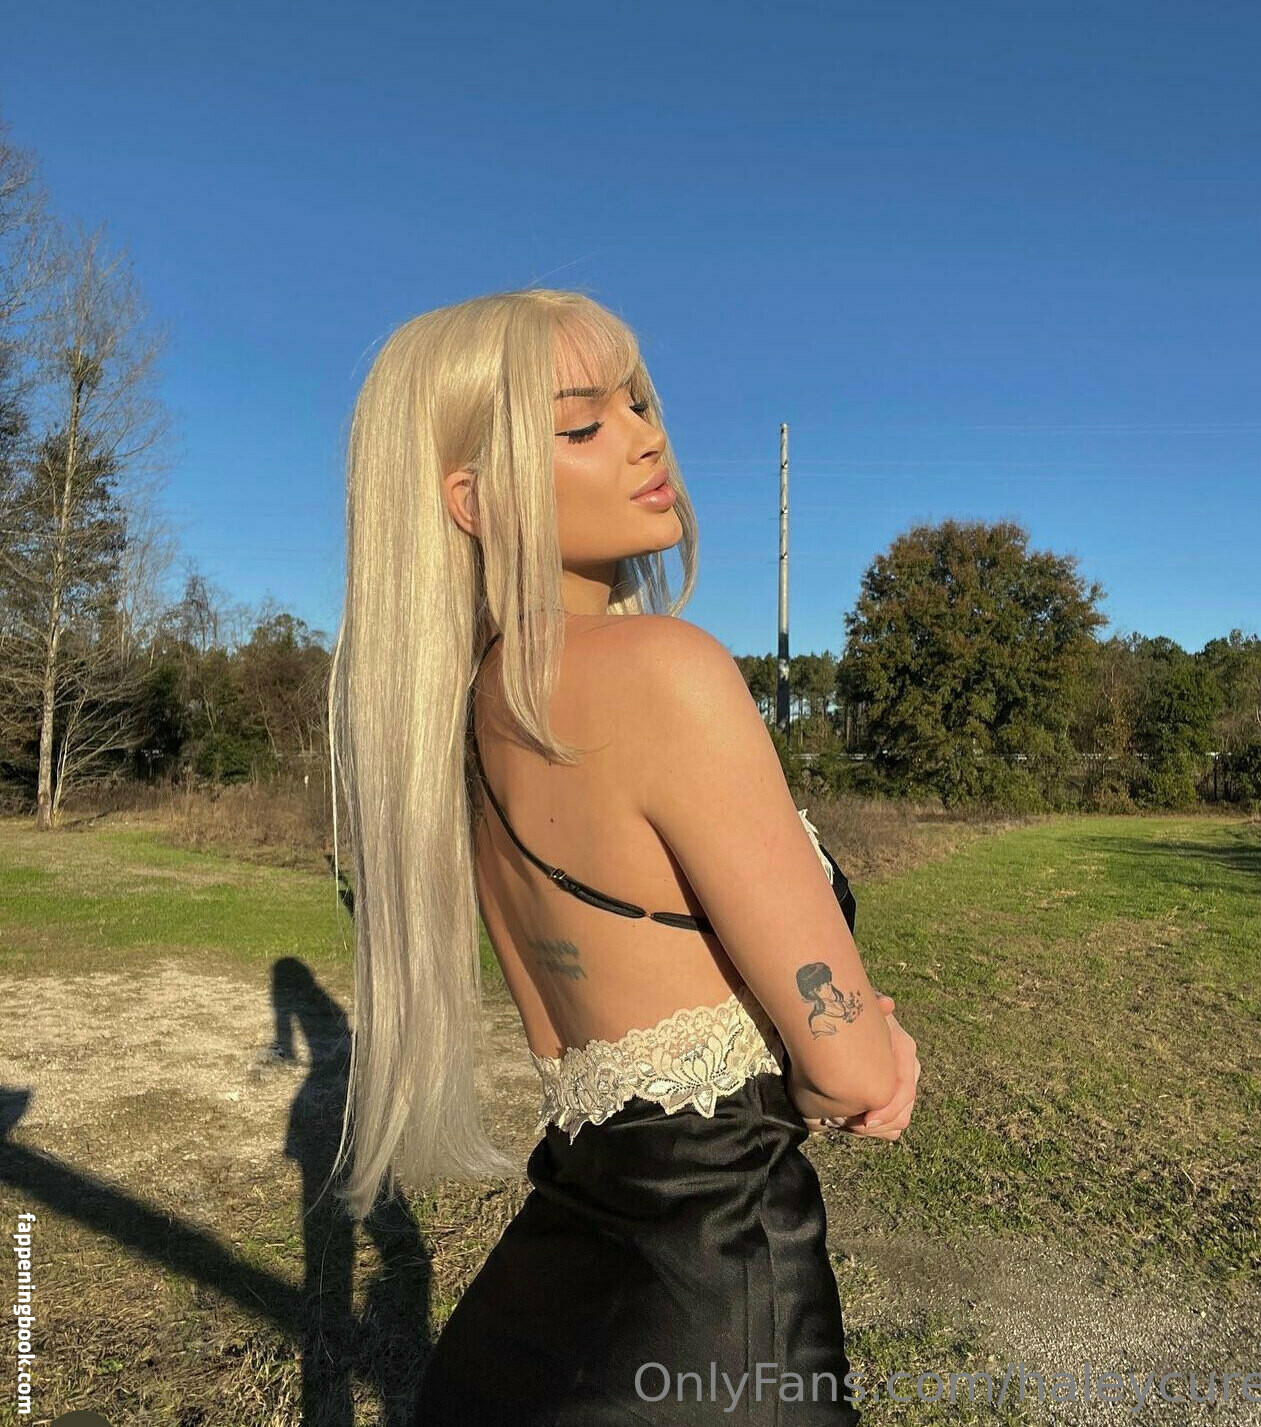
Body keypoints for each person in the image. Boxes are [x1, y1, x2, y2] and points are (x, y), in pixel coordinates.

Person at [324, 289, 921, 1423]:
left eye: (639, 401)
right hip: (716, 1315)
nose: (649, 436)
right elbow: (848, 1072)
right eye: (583, 423)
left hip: (545, 1299)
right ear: (473, 499)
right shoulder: (664, 669)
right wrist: (868, 1047)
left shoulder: (466, 719)